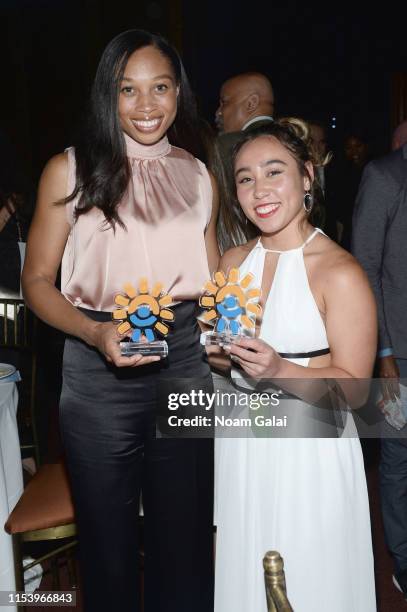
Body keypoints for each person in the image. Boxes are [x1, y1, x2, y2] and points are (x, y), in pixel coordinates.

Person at [22, 29, 219, 612]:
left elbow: (209, 280)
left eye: (160, 87)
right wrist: (93, 332)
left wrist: (225, 335)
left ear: (178, 94)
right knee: (106, 542)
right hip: (96, 363)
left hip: (183, 359)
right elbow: (36, 281)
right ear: (106, 97)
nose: (146, 104)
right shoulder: (69, 170)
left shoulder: (197, 171)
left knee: (184, 537)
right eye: (127, 90)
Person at [212, 119, 377, 611]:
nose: (258, 190)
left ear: (307, 177)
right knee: (245, 572)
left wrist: (279, 369)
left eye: (273, 172)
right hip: (243, 444)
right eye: (244, 178)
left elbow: (357, 391)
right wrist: (218, 353)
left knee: (310, 581)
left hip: (311, 453)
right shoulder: (229, 263)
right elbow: (225, 360)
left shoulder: (339, 272)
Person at [352, 121, 407, 598]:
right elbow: (364, 267)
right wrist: (383, 354)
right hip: (399, 355)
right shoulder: (386, 176)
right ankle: (404, 565)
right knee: (398, 460)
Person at [214, 72, 274, 250]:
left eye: (224, 102)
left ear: (251, 103)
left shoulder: (225, 146)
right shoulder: (296, 140)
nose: (218, 112)